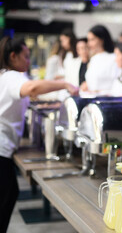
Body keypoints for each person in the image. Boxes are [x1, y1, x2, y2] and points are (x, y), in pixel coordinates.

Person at [0, 36, 78, 232]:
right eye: (25, 57)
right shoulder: (12, 77)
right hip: (1, 147)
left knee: (10, 193)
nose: (28, 61)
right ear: (13, 56)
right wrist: (66, 85)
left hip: (4, 146)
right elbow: (32, 88)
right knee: (6, 197)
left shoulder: (6, 76)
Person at [80, 25, 118, 95]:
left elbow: (116, 84)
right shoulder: (93, 59)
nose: (89, 44)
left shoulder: (113, 58)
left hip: (105, 101)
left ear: (102, 40)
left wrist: (98, 92)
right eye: (88, 40)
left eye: (92, 39)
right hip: (90, 101)